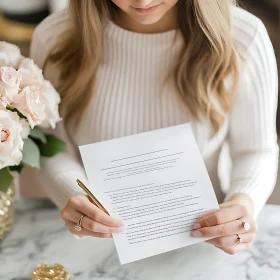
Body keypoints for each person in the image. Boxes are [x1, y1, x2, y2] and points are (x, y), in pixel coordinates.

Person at [30, 0, 278, 256]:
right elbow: (49, 142)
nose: (142, 2)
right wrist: (73, 193)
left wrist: (242, 203)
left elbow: (256, 150)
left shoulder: (244, 36)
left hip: (205, 243)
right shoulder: (55, 38)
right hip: (92, 245)